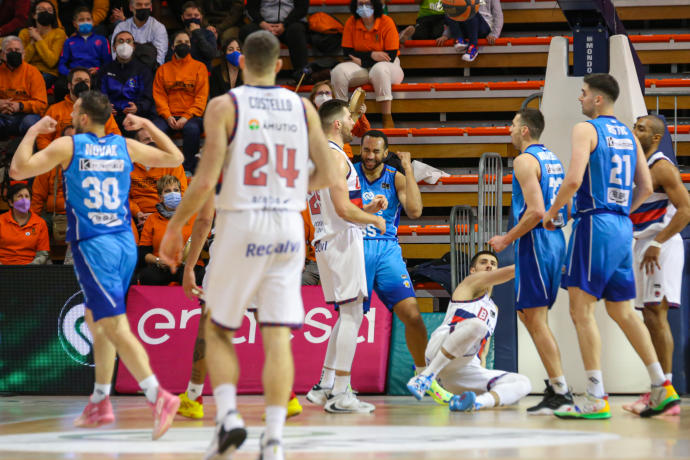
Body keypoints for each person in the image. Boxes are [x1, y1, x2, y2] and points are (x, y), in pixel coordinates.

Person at [157, 30, 337, 460]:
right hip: (288, 226)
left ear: (239, 64)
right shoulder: (303, 107)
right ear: (279, 65)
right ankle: (273, 439)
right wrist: (294, 190)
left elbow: (204, 181)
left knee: (218, 328)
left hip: (243, 220)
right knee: (276, 335)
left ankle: (229, 419)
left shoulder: (225, 105)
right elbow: (329, 171)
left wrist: (173, 228)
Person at [10, 92, 185, 438]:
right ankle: (101, 400)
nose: (70, 113)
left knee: (113, 323)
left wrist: (32, 132)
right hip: (124, 243)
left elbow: (17, 169)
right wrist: (149, 123)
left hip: (95, 245)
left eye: (74, 110)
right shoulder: (123, 146)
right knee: (95, 317)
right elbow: (176, 155)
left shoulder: (68, 146)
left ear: (85, 118)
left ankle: (158, 396)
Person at [542, 73, 681, 419]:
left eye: (584, 93)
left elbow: (573, 179)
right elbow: (645, 187)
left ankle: (594, 395)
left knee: (581, 310)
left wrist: (553, 212)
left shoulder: (585, 129)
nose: (580, 99)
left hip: (594, 224)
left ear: (598, 99)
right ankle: (661, 386)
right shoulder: (629, 137)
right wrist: (621, 212)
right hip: (621, 226)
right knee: (621, 311)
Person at [353, 130, 453, 405]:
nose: (370, 156)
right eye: (366, 150)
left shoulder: (394, 176)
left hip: (386, 251)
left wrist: (408, 169)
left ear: (386, 153)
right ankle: (339, 383)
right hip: (355, 248)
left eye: (376, 151)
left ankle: (422, 374)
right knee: (349, 320)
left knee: (412, 315)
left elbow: (416, 211)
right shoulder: (349, 172)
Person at [487, 108, 573, 415]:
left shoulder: (524, 160)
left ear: (525, 131)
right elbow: (564, 207)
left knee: (535, 319)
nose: (508, 130)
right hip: (551, 241)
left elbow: (535, 211)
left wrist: (505, 239)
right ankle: (557, 386)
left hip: (535, 243)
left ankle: (561, 390)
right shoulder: (553, 159)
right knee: (529, 316)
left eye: (512, 125)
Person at [305, 99, 386, 413]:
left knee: (346, 311)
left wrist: (366, 209)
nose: (354, 124)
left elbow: (338, 209)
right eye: (349, 120)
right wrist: (374, 219)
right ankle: (341, 393)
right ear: (336, 123)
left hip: (325, 239)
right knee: (353, 314)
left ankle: (325, 384)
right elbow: (342, 210)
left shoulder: (318, 157)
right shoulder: (336, 158)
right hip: (341, 241)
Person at [623, 114, 690, 416]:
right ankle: (659, 387)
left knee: (658, 315)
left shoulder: (662, 167)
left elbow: (686, 211)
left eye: (641, 128)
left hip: (660, 246)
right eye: (635, 126)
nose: (634, 131)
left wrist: (658, 242)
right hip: (643, 245)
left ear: (654, 138)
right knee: (649, 316)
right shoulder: (636, 164)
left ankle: (667, 393)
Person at [407, 251, 531, 411]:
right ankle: (424, 377)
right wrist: (538, 263)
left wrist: (480, 374)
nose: (489, 266)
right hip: (439, 348)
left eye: (493, 264)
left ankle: (476, 403)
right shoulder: (468, 284)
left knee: (523, 383)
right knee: (477, 325)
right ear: (473, 270)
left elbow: (483, 352)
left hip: (462, 369)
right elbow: (510, 272)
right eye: (484, 262)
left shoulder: (494, 309)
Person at [330, 0, 403, 129]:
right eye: (360, 3)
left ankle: (387, 117)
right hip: (362, 66)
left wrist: (363, 59)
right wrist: (371, 55)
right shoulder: (351, 22)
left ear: (375, 4)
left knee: (380, 69)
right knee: (338, 71)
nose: (364, 7)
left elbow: (390, 56)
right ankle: (342, 114)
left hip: (389, 67)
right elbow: (347, 53)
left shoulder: (387, 22)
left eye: (367, 3)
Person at [152, 30, 208, 173]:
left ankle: (189, 169)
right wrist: (167, 115)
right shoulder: (163, 70)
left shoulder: (200, 67)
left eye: (186, 42)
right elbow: (159, 96)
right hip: (168, 116)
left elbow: (201, 97)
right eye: (179, 42)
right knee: (156, 130)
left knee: (192, 129)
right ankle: (161, 168)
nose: (183, 45)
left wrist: (186, 117)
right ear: (172, 46)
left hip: (191, 117)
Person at [137, 175, 204, 286]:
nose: (173, 194)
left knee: (189, 276)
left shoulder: (194, 216)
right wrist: (158, 261)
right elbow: (143, 253)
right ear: (160, 197)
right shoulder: (152, 219)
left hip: (190, 265)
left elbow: (206, 245)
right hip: (163, 267)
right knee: (148, 276)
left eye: (176, 190)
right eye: (167, 191)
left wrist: (203, 242)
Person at [37, 67, 121, 149]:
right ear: (69, 85)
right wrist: (53, 157)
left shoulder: (100, 110)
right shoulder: (54, 109)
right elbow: (43, 138)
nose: (83, 84)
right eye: (78, 80)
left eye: (86, 81)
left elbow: (116, 138)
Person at [129, 127, 188, 230]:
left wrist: (156, 216)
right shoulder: (128, 166)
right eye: (147, 140)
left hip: (168, 213)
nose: (152, 142)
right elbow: (123, 196)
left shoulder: (172, 163)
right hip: (137, 217)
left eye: (155, 138)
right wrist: (137, 213)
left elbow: (181, 193)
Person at [98, 30, 155, 133]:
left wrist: (138, 107)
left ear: (133, 47)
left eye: (128, 41)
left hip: (135, 117)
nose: (125, 44)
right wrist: (104, 107)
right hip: (109, 118)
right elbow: (98, 94)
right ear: (114, 47)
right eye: (120, 41)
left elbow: (148, 97)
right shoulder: (104, 70)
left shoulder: (143, 70)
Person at [240, 0, 309, 83]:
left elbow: (302, 8)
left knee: (296, 31)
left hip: (290, 23)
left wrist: (285, 24)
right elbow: (251, 8)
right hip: (264, 24)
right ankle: (255, 75)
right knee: (247, 31)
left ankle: (301, 77)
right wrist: (262, 23)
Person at [0, 36, 47, 138]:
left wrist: (20, 106)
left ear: (24, 54)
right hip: (4, 115)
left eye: (17, 50)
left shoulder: (33, 72)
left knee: (29, 122)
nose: (14, 52)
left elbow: (42, 104)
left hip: (26, 115)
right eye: (9, 50)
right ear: (3, 54)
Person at [309, 80, 369, 159]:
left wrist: (360, 116)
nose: (324, 96)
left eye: (327, 93)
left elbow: (364, 133)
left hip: (344, 156)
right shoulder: (307, 118)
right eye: (320, 93)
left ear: (333, 97)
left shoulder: (343, 115)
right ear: (313, 99)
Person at [18, 0, 67, 89]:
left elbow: (51, 62)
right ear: (34, 15)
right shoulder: (24, 33)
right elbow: (22, 61)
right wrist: (32, 42)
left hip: (48, 73)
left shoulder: (59, 33)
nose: (46, 12)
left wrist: (38, 38)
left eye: (49, 10)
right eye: (41, 9)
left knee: (33, 85)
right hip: (27, 71)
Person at [0, 182, 50, 265]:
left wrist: (28, 270)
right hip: (3, 269)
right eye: (20, 196)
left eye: (27, 196)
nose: (24, 200)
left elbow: (42, 254)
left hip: (30, 270)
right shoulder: (1, 220)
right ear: (10, 202)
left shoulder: (40, 223)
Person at [57, 7, 111, 78]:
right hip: (75, 76)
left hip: (95, 76)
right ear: (74, 23)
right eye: (81, 20)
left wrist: (98, 70)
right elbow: (61, 65)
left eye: (88, 19)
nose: (85, 22)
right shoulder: (69, 42)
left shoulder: (102, 40)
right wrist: (70, 73)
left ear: (92, 22)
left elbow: (109, 63)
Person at [112, 0, 169, 67]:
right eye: (139, 4)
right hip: (125, 69)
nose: (143, 7)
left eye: (146, 4)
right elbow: (116, 53)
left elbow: (160, 58)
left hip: (149, 70)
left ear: (151, 7)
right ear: (131, 7)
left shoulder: (159, 28)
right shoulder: (121, 27)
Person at [176, 1, 217, 71]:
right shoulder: (177, 36)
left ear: (201, 17)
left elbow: (211, 54)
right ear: (182, 17)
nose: (193, 18)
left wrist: (197, 33)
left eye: (196, 15)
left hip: (203, 74)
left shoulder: (208, 34)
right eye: (189, 15)